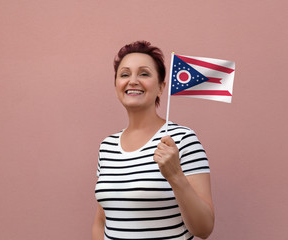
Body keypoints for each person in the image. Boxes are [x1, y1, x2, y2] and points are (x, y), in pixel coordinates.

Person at [92, 41, 214, 240]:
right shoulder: (107, 146)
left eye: (144, 73)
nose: (132, 81)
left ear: (160, 87)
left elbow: (204, 229)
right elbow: (102, 221)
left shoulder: (182, 139)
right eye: (124, 74)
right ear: (116, 86)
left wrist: (175, 175)